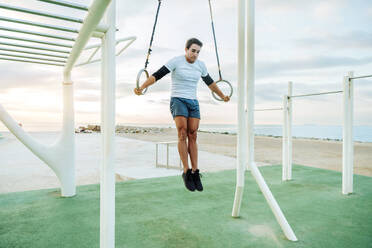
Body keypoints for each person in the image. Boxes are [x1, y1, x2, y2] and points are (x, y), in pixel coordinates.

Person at [134, 38, 230, 192]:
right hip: (178, 100)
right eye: (193, 50)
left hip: (193, 102)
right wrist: (142, 86)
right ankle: (186, 171)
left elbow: (211, 83)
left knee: (193, 134)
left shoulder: (201, 65)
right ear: (186, 49)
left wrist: (223, 95)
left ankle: (195, 172)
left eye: (198, 52)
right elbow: (157, 75)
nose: (195, 54)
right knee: (182, 132)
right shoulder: (176, 61)